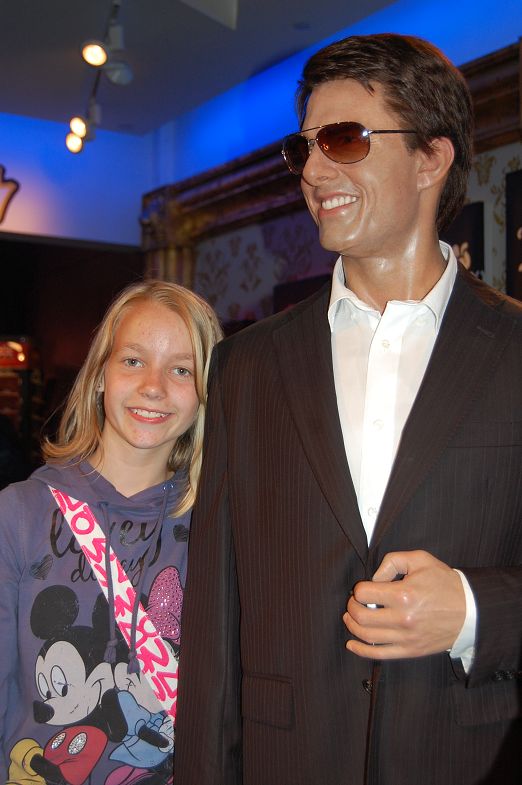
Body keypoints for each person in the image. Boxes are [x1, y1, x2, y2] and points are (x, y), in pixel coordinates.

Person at [175, 33, 522, 785]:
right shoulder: (246, 366)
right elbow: (214, 621)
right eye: (303, 148)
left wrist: (473, 610)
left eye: (342, 139)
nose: (313, 170)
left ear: (431, 159)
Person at [0, 280, 222, 785]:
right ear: (100, 374)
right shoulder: (18, 515)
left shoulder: (220, 526)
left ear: (205, 393)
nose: (154, 386)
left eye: (182, 369)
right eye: (133, 360)